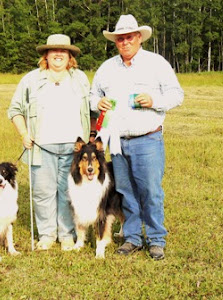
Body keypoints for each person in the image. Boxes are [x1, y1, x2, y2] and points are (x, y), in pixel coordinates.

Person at [90, 15, 184, 260]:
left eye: (129, 37)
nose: (125, 42)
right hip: (117, 141)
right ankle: (132, 238)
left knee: (150, 191)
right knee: (125, 190)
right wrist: (96, 102)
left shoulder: (156, 63)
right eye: (120, 38)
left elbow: (177, 94)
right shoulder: (106, 68)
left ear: (139, 38)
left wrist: (155, 101)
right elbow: (92, 96)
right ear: (116, 42)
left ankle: (155, 239)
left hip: (148, 140)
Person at [7, 34, 91, 251]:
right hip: (41, 148)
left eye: (63, 51)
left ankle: (66, 234)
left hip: (74, 149)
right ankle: (46, 234)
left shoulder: (80, 79)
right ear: (46, 54)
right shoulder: (31, 80)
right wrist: (24, 133)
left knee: (68, 192)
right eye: (54, 50)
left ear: (70, 55)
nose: (58, 54)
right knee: (43, 192)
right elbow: (15, 109)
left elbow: (92, 110)